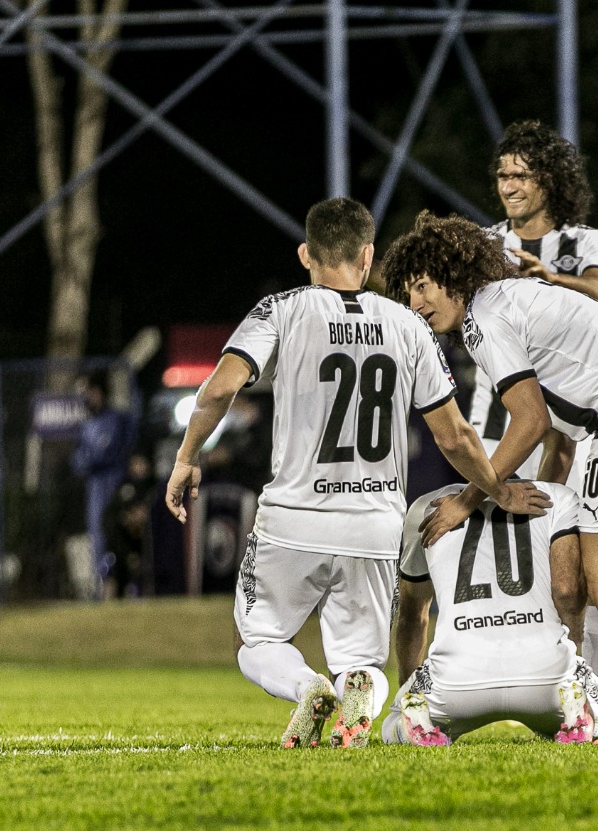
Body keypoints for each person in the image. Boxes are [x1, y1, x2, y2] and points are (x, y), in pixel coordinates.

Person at [165, 198, 548, 749]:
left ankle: (304, 687)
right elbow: (455, 436)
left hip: (293, 519)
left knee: (257, 640)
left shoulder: (281, 310)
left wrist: (187, 457)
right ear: (368, 255)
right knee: (360, 658)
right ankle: (356, 684)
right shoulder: (408, 326)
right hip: (373, 524)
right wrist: (496, 490)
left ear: (306, 254)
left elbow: (219, 389)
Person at [384, 210, 598, 744]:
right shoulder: (512, 300)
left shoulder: (485, 317)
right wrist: (550, 492)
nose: (415, 304)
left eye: (421, 286)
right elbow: (554, 429)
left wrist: (469, 498)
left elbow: (527, 421)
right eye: (407, 295)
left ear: (451, 271)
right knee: (594, 567)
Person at [383, 483, 598, 746]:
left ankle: (418, 720)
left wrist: (411, 689)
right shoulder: (555, 496)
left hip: (456, 680)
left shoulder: (426, 505)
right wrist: (573, 651)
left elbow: (412, 614)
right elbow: (566, 591)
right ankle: (578, 717)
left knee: (392, 726)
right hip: (546, 677)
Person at [471, 119, 598, 482]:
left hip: (572, 428)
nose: (509, 186)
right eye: (503, 176)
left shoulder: (589, 241)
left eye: (521, 176)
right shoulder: (482, 244)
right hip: (495, 426)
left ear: (549, 179)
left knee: (560, 534)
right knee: (496, 536)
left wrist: (550, 279)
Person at [73, 372, 138, 593]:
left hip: (116, 483)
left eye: (89, 392)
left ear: (99, 392)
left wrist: (95, 458)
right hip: (96, 486)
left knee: (119, 532)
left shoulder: (118, 419)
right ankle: (105, 585)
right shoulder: (86, 425)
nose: (87, 398)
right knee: (97, 534)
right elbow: (79, 461)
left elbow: (111, 452)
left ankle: (128, 584)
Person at [105, 452, 158, 598]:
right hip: (125, 546)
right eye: (136, 463)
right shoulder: (123, 487)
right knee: (112, 565)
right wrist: (129, 517)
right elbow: (110, 519)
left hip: (149, 544)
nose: (140, 467)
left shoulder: (156, 486)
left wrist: (148, 515)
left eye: (143, 463)